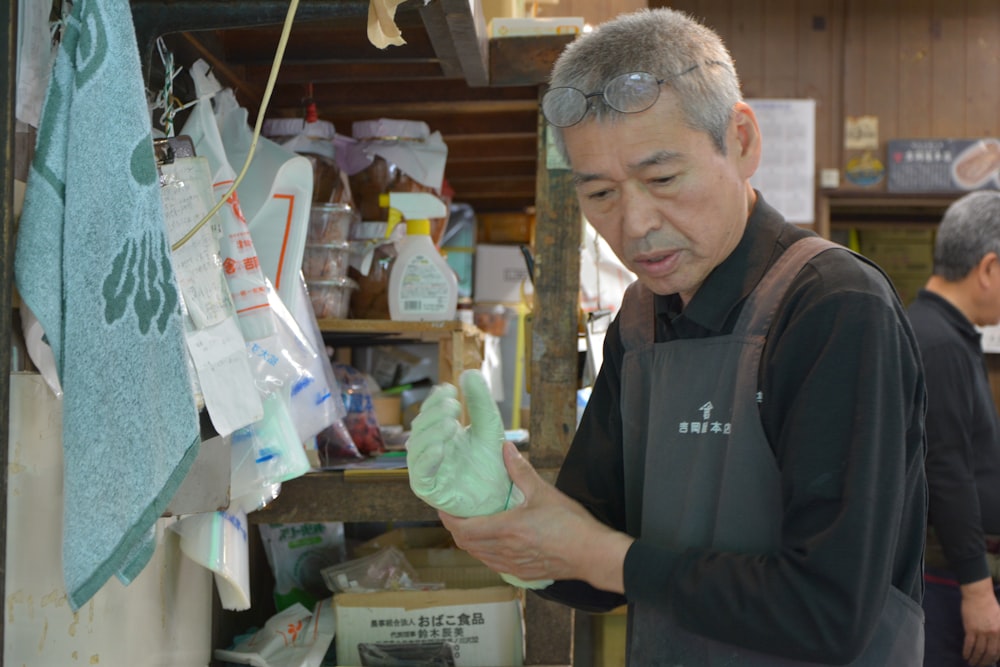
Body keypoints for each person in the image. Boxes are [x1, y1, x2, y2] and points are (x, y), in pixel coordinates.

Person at [406, 7, 927, 664]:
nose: (635, 224)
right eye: (599, 193)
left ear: (740, 140)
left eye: (662, 179)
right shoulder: (639, 319)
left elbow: (829, 611)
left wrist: (602, 554)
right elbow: (596, 556)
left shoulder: (834, 307)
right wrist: (506, 516)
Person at [907, 190, 1000, 667]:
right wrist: (978, 589)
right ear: (987, 269)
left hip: (953, 575)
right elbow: (946, 470)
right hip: (947, 579)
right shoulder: (938, 341)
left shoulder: (948, 333)